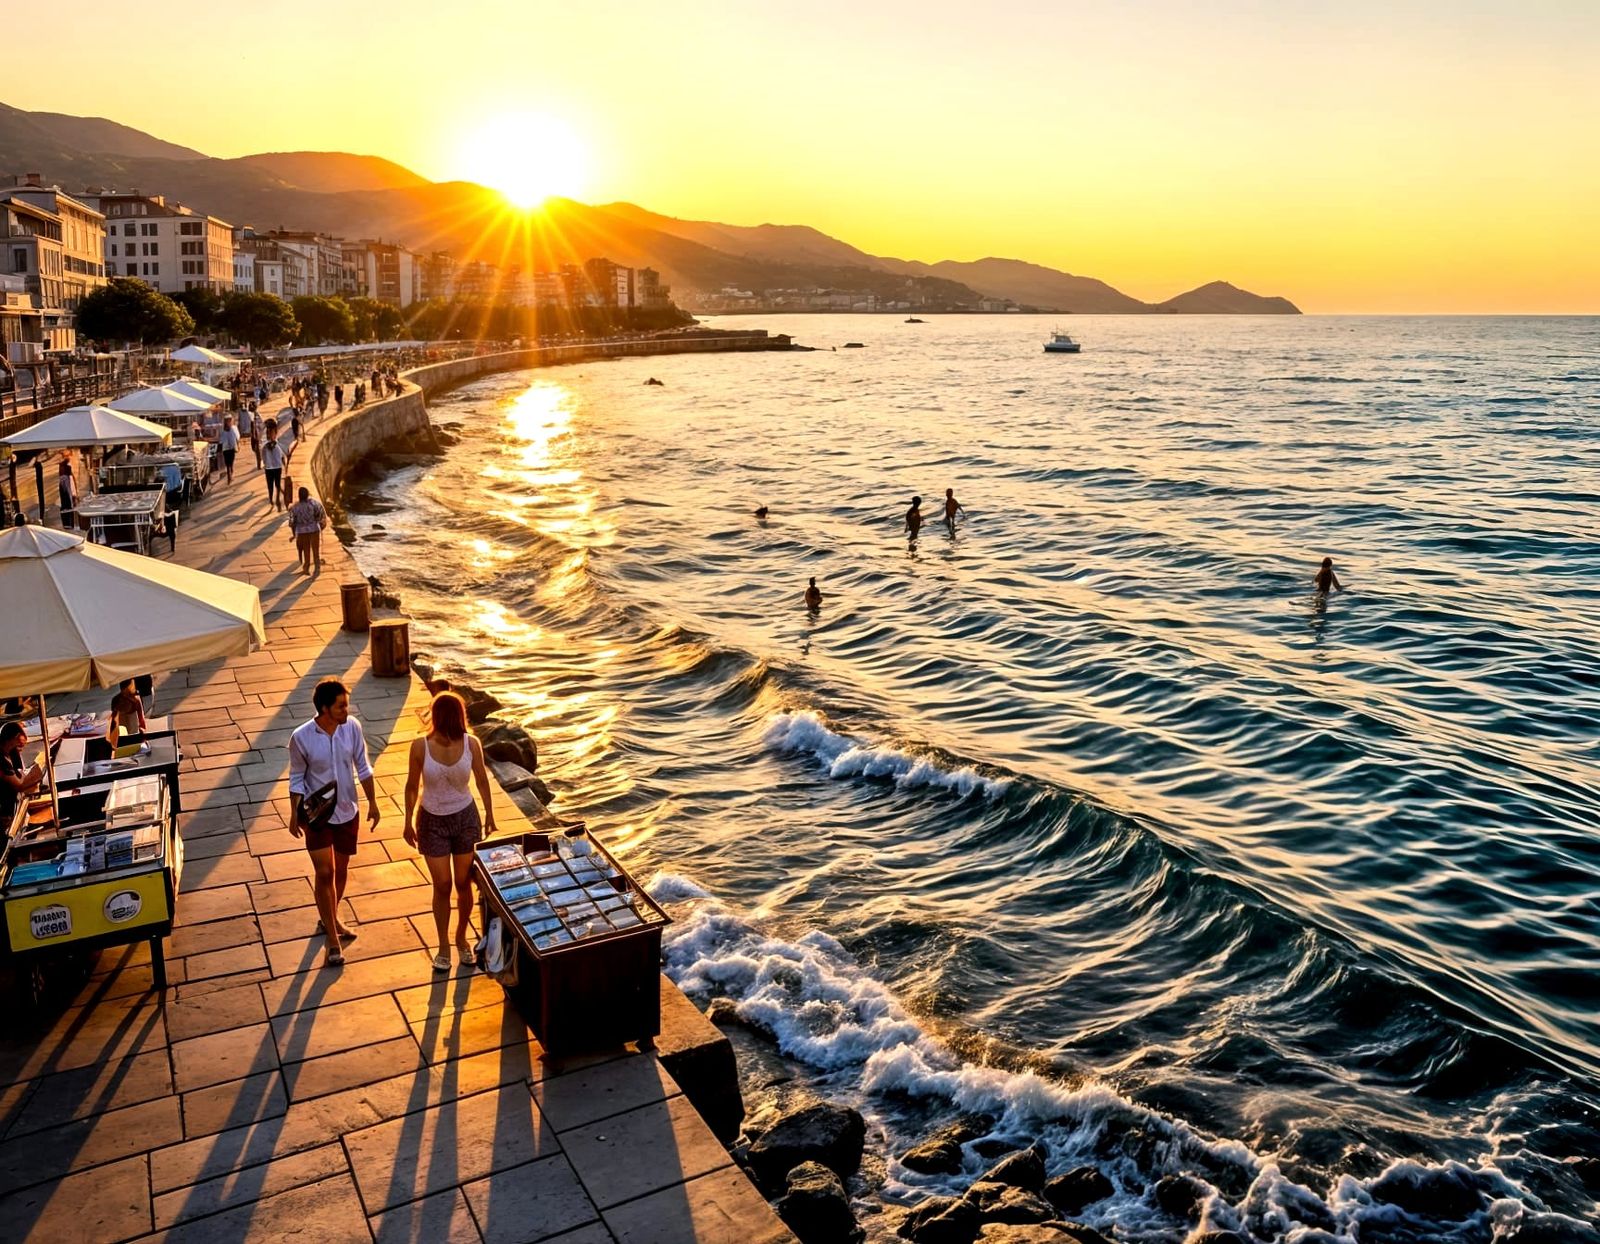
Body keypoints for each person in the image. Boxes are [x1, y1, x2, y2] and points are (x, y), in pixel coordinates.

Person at [403, 691, 498, 973]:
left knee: (463, 883)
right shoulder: (420, 746)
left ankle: (461, 938)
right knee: (442, 885)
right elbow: (411, 786)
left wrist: (490, 814)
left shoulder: (472, 743)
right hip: (432, 820)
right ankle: (443, 945)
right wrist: (407, 820)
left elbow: (481, 779)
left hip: (465, 817)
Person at [287, 678, 379, 967]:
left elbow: (362, 766)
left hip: (347, 809)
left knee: (341, 870)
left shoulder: (352, 727)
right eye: (341, 706)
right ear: (324, 708)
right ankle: (333, 940)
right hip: (317, 813)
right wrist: (293, 813)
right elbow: (296, 777)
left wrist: (373, 802)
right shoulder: (301, 737)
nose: (346, 710)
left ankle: (331, 916)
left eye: (346, 705)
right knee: (324, 873)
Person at [0, 721, 45, 828]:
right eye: (19, 745)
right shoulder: (1, 760)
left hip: (12, 803)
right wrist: (36, 775)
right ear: (12, 739)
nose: (21, 749)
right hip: (5, 811)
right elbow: (19, 784)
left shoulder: (11, 753)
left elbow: (21, 773)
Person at [287, 486, 327, 574]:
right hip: (314, 529)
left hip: (302, 532)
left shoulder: (295, 507)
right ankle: (317, 568)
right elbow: (321, 515)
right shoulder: (314, 503)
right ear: (307, 494)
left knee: (306, 550)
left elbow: (291, 522)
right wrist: (319, 525)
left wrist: (294, 534)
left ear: (299, 496)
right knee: (315, 549)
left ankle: (306, 568)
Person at [106, 678, 147, 748]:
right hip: (131, 734)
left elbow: (112, 721)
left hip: (122, 737)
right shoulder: (134, 700)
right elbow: (141, 720)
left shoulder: (115, 700)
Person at [261, 419, 285, 511]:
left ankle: (277, 498)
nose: (271, 435)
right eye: (269, 434)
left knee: (277, 484)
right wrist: (266, 463)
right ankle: (271, 498)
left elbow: (282, 455)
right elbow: (263, 456)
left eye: (272, 433)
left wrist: (283, 463)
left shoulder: (278, 444)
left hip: (277, 467)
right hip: (269, 468)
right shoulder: (265, 446)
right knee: (270, 485)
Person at [216, 414, 240, 484]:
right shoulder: (222, 431)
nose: (228, 422)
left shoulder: (234, 428)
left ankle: (230, 473)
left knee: (230, 462)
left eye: (229, 420)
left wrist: (238, 446)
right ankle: (229, 476)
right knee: (228, 463)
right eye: (227, 421)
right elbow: (220, 441)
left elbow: (237, 438)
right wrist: (218, 450)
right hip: (226, 449)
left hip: (231, 448)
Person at [57, 458, 77, 529]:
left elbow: (69, 489)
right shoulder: (65, 478)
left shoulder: (63, 478)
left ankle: (68, 524)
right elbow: (70, 489)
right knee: (68, 508)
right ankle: (69, 524)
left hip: (66, 503)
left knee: (67, 508)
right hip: (67, 502)